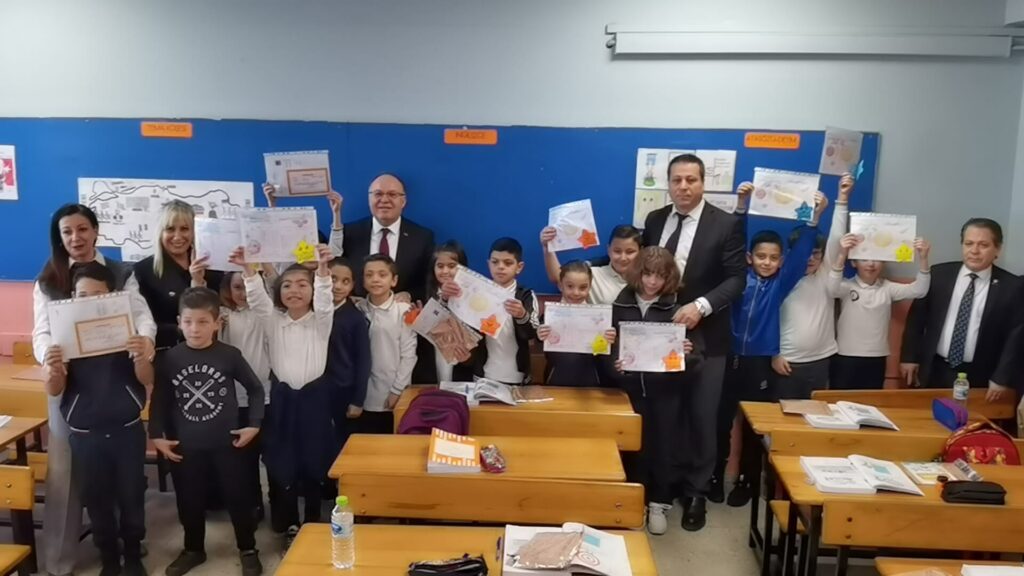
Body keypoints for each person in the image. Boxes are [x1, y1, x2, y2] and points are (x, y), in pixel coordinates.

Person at [31, 203, 156, 576]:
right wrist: (50, 357)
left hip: (116, 381)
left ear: (96, 231)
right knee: (67, 476)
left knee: (123, 481)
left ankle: (127, 545)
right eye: (67, 232)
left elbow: (141, 315)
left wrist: (145, 342)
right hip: (72, 385)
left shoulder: (119, 272)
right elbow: (41, 330)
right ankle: (61, 559)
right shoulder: (49, 278)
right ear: (59, 237)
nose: (76, 238)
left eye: (82, 229)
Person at [642, 153, 746, 530]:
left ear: (703, 183)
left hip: (708, 335)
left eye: (691, 180)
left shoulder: (726, 224)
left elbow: (737, 279)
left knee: (702, 416)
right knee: (665, 413)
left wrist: (701, 306)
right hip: (659, 333)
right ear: (668, 184)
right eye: (677, 180)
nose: (684, 187)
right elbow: (643, 270)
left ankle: (697, 493)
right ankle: (664, 487)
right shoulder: (655, 220)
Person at [715, 190, 825, 508]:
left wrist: (814, 219)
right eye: (761, 256)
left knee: (754, 425)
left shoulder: (781, 283)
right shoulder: (738, 280)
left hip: (760, 363)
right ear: (750, 258)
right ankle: (714, 477)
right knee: (721, 421)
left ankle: (748, 481)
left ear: (782, 261)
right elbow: (735, 242)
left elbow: (802, 252)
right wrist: (741, 209)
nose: (767, 262)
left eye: (774, 258)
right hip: (729, 358)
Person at [149, 287, 265, 576]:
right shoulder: (170, 359)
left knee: (238, 497)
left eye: (203, 322)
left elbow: (255, 389)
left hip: (227, 444)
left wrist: (254, 424)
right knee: (189, 499)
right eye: (188, 322)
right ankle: (193, 549)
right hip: (186, 445)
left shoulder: (229, 355)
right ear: (179, 322)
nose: (195, 329)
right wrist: (156, 435)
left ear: (217, 323)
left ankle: (248, 548)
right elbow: (160, 400)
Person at [231, 245, 336, 545]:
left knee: (314, 462)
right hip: (283, 401)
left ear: (312, 290)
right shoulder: (273, 321)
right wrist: (248, 269)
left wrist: (323, 270)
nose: (294, 291)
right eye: (287, 285)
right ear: (278, 292)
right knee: (283, 461)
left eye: (303, 284)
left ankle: (313, 518)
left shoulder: (321, 321)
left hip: (314, 401)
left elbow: (326, 301)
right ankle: (289, 522)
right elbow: (258, 299)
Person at [605, 246, 703, 536]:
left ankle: (659, 503)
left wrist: (688, 353)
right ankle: (633, 501)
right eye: (647, 274)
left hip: (666, 392)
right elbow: (605, 350)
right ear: (638, 273)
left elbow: (696, 358)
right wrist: (615, 366)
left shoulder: (677, 309)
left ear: (668, 278)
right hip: (629, 392)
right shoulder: (619, 305)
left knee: (663, 446)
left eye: (660, 276)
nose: (652, 282)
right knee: (632, 446)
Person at [900, 218, 1022, 399]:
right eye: (969, 243)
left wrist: (1001, 377)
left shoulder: (1012, 286)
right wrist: (909, 357)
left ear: (997, 249)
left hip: (981, 375)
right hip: (935, 368)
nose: (974, 251)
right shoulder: (939, 275)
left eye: (983, 245)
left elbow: (1016, 336)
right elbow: (916, 319)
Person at [771, 174, 855, 404]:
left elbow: (836, 237)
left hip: (821, 360)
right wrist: (773, 355)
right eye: (805, 254)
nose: (810, 259)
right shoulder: (781, 280)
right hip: (787, 361)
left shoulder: (824, 274)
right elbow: (765, 322)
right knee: (783, 416)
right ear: (791, 254)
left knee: (816, 415)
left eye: (816, 254)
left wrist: (842, 198)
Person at [829, 234, 931, 390]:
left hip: (877, 357)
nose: (871, 264)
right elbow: (832, 289)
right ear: (854, 262)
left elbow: (920, 290)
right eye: (864, 259)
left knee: (871, 401)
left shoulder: (888, 288)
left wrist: (923, 258)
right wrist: (842, 254)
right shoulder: (846, 286)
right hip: (845, 356)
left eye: (876, 259)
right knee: (840, 400)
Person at [215, 270, 273, 523]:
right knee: (244, 459)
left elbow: (272, 287)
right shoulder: (223, 315)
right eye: (238, 287)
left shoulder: (265, 313)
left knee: (270, 455)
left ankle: (277, 504)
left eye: (248, 287)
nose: (244, 293)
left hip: (266, 396)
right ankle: (253, 505)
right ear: (228, 290)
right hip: (233, 399)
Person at [442, 237, 540, 385]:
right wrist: (446, 298)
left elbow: (533, 333)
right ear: (488, 264)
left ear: (519, 267)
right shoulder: (476, 291)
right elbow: (456, 322)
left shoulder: (525, 296)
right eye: (495, 262)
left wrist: (522, 315)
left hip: (516, 376)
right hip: (483, 374)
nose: (500, 267)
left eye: (508, 263)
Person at [329, 173, 435, 301]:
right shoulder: (350, 232)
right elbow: (334, 270)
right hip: (356, 308)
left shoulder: (422, 237)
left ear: (403, 201)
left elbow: (429, 281)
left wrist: (409, 295)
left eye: (392, 194)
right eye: (378, 194)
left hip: (402, 310)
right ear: (369, 199)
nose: (384, 200)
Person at [134, 200, 223, 351]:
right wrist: (180, 330)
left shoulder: (211, 267)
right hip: (165, 353)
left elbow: (218, 313)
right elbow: (143, 322)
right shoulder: (143, 271)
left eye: (184, 229)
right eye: (170, 229)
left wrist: (198, 281)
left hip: (207, 353)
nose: (177, 236)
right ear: (160, 233)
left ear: (194, 231)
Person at [354, 254, 418, 433]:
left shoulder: (403, 311)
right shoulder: (357, 310)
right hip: (362, 395)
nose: (375, 279)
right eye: (369, 275)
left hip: (392, 392)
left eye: (382, 275)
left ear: (394, 280)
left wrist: (397, 390)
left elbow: (409, 355)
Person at [536, 260, 617, 387]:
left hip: (591, 382)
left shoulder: (599, 319)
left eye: (583, 287)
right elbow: (539, 341)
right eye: (570, 286)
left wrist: (608, 340)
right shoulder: (549, 316)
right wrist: (539, 334)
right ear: (560, 286)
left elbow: (599, 353)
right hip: (555, 381)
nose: (576, 293)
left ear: (590, 287)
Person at [411, 241, 477, 384]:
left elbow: (478, 341)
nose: (445, 271)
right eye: (440, 266)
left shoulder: (472, 299)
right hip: (427, 370)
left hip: (460, 371)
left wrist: (468, 358)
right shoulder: (421, 296)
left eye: (452, 266)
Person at [324, 257, 371, 447]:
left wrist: (358, 400)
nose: (338, 286)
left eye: (345, 281)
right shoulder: (311, 310)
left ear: (353, 285)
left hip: (342, 390)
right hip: (315, 390)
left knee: (340, 442)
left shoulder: (355, 318)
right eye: (333, 279)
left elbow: (363, 360)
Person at [541, 224, 643, 305]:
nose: (623, 258)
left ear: (641, 251)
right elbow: (557, 276)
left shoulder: (647, 279)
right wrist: (547, 246)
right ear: (608, 250)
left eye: (630, 252)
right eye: (617, 251)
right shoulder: (593, 275)